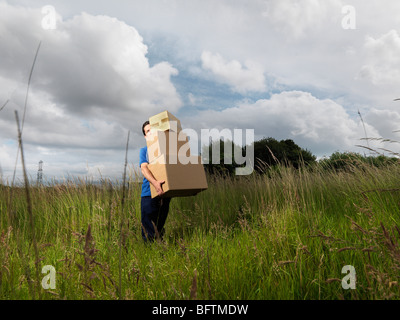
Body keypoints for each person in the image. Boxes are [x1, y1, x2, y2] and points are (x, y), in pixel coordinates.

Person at [139, 120, 171, 242]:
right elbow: (144, 168)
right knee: (148, 231)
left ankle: (160, 252)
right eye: (147, 131)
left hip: (165, 193)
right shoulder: (144, 150)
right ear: (145, 136)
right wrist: (155, 183)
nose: (150, 132)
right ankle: (148, 255)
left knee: (159, 227)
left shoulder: (165, 150)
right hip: (149, 193)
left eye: (152, 130)